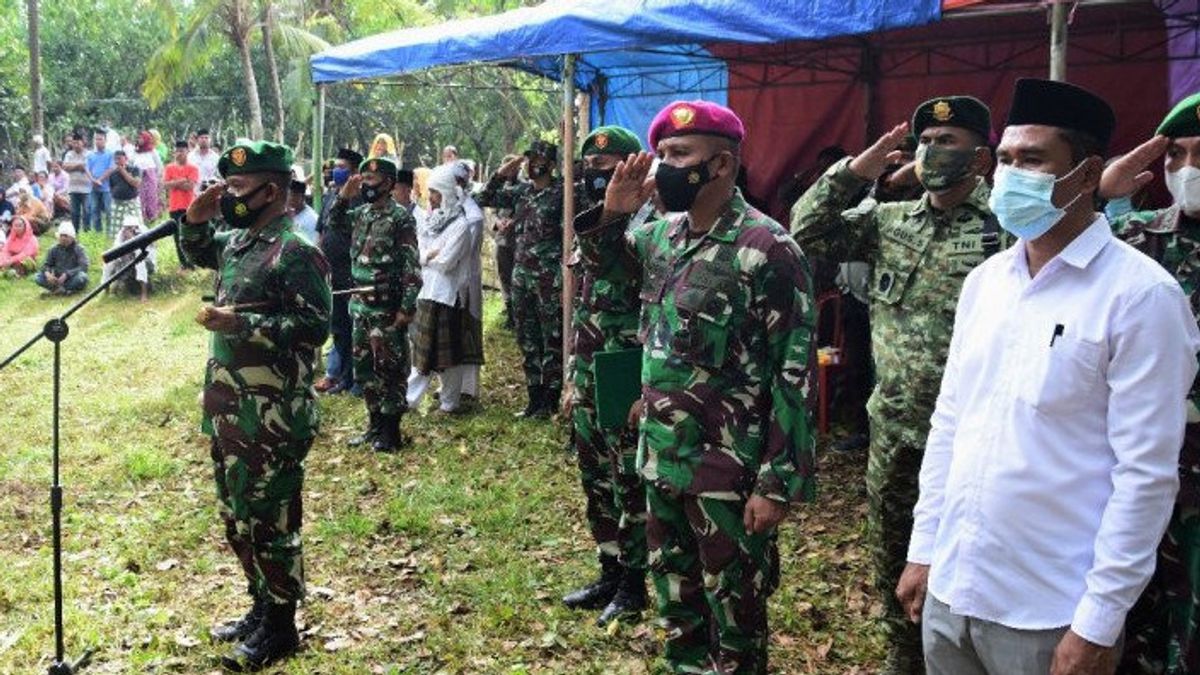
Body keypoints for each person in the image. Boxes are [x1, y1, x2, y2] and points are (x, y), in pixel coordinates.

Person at [896, 78, 1200, 675]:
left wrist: (1099, 620)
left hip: (1048, 607)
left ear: (1088, 176)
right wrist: (925, 547)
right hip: (955, 585)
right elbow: (950, 424)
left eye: (1033, 160)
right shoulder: (986, 283)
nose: (1011, 175)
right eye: (1005, 159)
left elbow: (1143, 473)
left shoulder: (1140, 297)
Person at [580, 101, 817, 674]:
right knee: (678, 607)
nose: (663, 166)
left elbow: (795, 374)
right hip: (662, 458)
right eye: (661, 154)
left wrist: (777, 484)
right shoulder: (660, 236)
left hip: (728, 472)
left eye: (679, 155)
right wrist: (613, 215)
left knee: (735, 619)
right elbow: (605, 270)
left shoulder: (768, 249)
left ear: (722, 165)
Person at [791, 95, 1001, 675]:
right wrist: (857, 172)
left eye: (948, 142)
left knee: (973, 564)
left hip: (972, 437)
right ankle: (903, 661)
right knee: (893, 560)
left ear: (981, 158)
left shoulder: (1003, 227)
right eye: (926, 142)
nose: (933, 152)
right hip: (896, 427)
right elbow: (804, 231)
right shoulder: (889, 221)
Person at [180, 140, 331, 672]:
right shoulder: (240, 242)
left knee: (270, 517)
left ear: (273, 190)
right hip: (229, 405)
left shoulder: (296, 250)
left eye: (240, 188)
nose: (231, 196)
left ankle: (282, 625)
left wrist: (240, 323)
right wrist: (194, 220)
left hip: (274, 413)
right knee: (237, 513)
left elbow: (316, 327)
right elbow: (198, 251)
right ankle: (259, 604)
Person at [1098, 91, 1200, 675]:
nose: (1188, 170)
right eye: (1176, 156)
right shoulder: (1140, 236)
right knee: (1131, 632)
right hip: (1132, 484)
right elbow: (1039, 255)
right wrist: (1099, 193)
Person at [559, 125, 650, 628]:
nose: (597, 176)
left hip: (627, 366)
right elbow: (585, 307)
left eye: (607, 166)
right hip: (591, 364)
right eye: (591, 169)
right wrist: (573, 376)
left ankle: (635, 583)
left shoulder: (657, 221)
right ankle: (609, 569)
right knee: (595, 476)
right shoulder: (591, 223)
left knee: (628, 479)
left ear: (633, 166)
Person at [327, 157, 421, 452]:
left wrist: (406, 307)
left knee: (389, 370)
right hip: (361, 306)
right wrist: (343, 197)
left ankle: (391, 433)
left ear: (389, 184)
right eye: (364, 180)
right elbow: (333, 222)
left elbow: (411, 265)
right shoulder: (361, 214)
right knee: (365, 368)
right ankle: (374, 426)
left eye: (372, 180)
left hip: (386, 307)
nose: (366, 185)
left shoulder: (400, 217)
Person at [477, 140, 575, 418]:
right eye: (530, 159)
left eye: (539, 159)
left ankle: (549, 400)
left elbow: (570, 237)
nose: (533, 164)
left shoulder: (562, 194)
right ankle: (533, 398)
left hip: (549, 278)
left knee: (551, 340)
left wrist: (563, 278)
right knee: (527, 339)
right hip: (521, 276)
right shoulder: (521, 193)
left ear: (552, 164)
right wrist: (505, 170)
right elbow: (484, 197)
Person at [406, 163, 481, 414]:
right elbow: (419, 252)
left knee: (449, 357)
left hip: (447, 296)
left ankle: (450, 403)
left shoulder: (461, 225)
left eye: (436, 193)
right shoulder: (433, 220)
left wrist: (427, 257)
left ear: (448, 192)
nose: (433, 198)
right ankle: (409, 401)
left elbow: (448, 263)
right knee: (421, 351)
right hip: (426, 292)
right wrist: (429, 255)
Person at [314, 147, 363, 395]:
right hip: (331, 271)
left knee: (353, 326)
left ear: (355, 171)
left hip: (352, 272)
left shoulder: (361, 198)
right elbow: (322, 230)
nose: (336, 170)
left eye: (342, 167)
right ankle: (342, 377)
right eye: (336, 165)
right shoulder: (331, 195)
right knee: (339, 326)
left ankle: (355, 379)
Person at [102, 210, 155, 301]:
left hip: (146, 262)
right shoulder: (121, 234)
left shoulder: (143, 232)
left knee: (140, 262)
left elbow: (142, 254)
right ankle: (105, 289)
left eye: (130, 228)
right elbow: (116, 251)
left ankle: (144, 293)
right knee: (110, 262)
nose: (128, 230)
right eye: (126, 228)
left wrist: (132, 239)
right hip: (128, 262)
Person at [163, 140, 199, 269]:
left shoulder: (193, 168)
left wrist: (174, 182)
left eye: (182, 151)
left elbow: (190, 186)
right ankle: (183, 263)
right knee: (177, 236)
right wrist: (183, 180)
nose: (179, 154)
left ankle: (193, 262)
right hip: (174, 206)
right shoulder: (169, 167)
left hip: (189, 206)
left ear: (187, 152)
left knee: (190, 235)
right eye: (177, 151)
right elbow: (165, 185)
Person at [35, 222, 89, 295]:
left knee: (82, 277)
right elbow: (46, 265)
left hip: (72, 278)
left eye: (66, 236)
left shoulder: (79, 249)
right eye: (61, 236)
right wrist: (48, 273)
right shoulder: (53, 249)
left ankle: (62, 290)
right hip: (57, 279)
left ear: (72, 237)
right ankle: (61, 290)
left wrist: (67, 274)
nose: (63, 238)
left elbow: (84, 267)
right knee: (38, 277)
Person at [86, 129, 115, 234]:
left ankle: (110, 232)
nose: (98, 141)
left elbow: (111, 169)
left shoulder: (110, 154)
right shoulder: (90, 154)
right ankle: (98, 231)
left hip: (106, 187)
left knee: (108, 210)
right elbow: (87, 169)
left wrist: (99, 180)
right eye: (96, 139)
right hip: (93, 187)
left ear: (105, 140)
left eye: (100, 139)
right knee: (94, 209)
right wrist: (93, 180)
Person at [108, 151, 142, 238]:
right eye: (115, 159)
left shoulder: (134, 169)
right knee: (117, 231)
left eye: (119, 158)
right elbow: (111, 188)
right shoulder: (112, 173)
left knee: (137, 227)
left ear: (125, 159)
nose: (117, 161)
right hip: (118, 203)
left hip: (132, 202)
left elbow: (136, 183)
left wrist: (123, 171)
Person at [62, 133, 91, 232]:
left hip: (87, 188)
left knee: (87, 211)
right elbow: (65, 167)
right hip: (73, 188)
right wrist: (78, 166)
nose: (76, 145)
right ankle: (75, 232)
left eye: (78, 143)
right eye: (74, 143)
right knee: (74, 212)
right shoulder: (69, 154)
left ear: (83, 143)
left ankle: (87, 231)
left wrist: (73, 166)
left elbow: (86, 167)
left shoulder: (89, 154)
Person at [133, 130, 163, 223]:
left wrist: (158, 178)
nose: (140, 140)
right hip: (139, 178)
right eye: (139, 138)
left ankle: (152, 217)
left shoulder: (152, 151)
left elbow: (159, 166)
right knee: (140, 197)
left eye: (141, 138)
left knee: (151, 197)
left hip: (150, 177)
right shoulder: (136, 152)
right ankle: (142, 218)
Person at [288, 179, 318, 244]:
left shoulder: (312, 218)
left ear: (302, 197)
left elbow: (314, 245)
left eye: (294, 195)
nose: (290, 198)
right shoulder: (289, 213)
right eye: (288, 195)